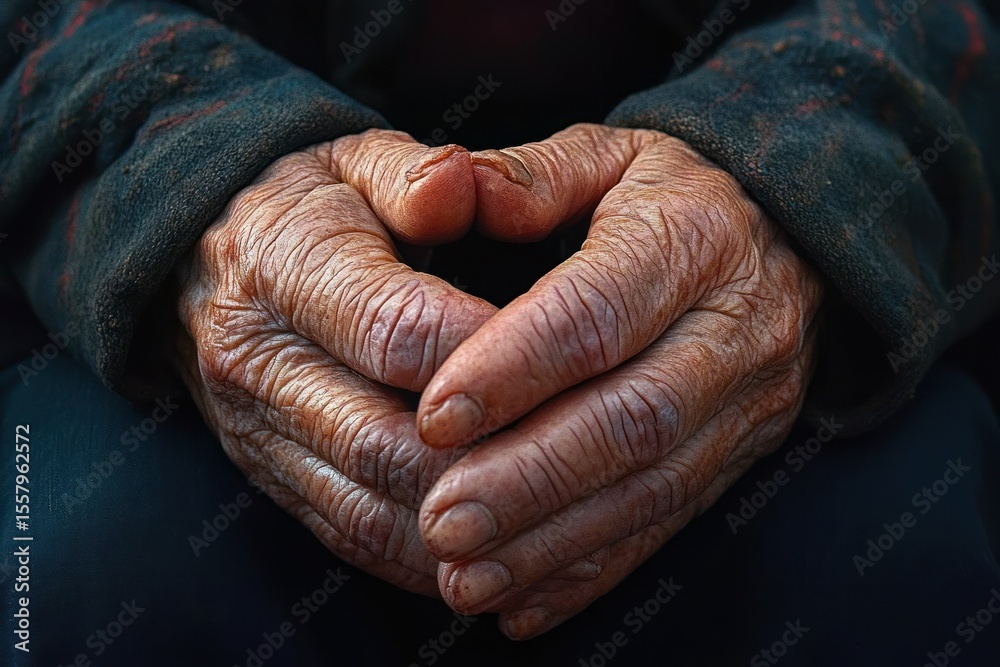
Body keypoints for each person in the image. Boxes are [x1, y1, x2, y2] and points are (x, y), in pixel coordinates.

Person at [1, 1, 999, 665]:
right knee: (78, 551)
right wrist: (186, 167)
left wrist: (802, 169)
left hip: (819, 283)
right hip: (149, 290)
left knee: (901, 546)